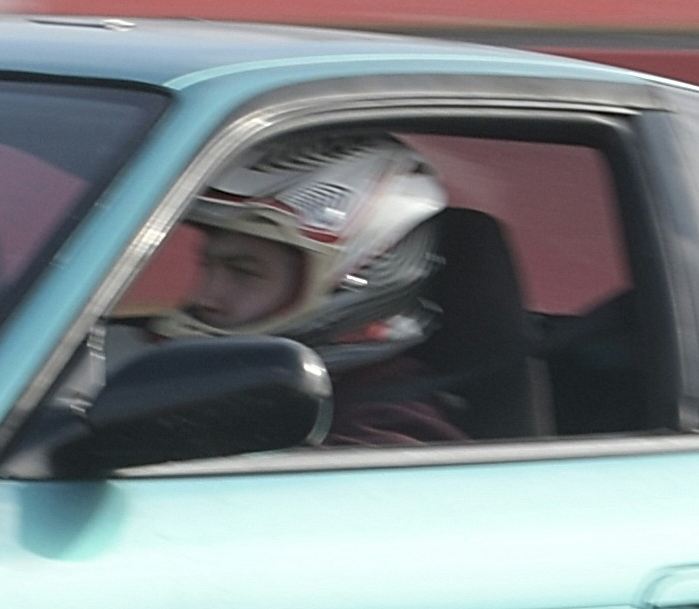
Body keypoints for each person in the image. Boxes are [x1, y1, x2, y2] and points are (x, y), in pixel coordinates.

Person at [142, 130, 495, 444]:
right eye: (207, 265)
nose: (206, 295)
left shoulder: (389, 425)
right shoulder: (234, 387)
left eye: (245, 273)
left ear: (351, 283)